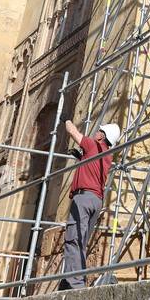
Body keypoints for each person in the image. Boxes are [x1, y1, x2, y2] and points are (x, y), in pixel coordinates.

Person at [60, 119, 120, 289]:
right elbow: (92, 165)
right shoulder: (107, 155)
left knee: (73, 239)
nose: (96, 132)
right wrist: (82, 157)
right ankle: (70, 281)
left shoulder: (92, 144)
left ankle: (76, 284)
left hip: (84, 198)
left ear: (102, 136)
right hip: (96, 200)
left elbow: (71, 130)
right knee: (81, 240)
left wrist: (67, 119)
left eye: (99, 131)